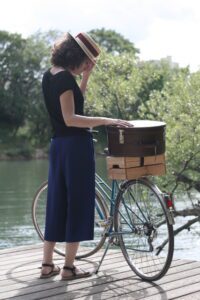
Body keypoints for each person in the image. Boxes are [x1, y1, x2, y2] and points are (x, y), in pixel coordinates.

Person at [40, 32, 131, 280]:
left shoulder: (50, 76)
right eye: (86, 62)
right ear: (76, 57)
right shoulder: (66, 81)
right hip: (76, 148)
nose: (86, 66)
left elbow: (72, 105)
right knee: (78, 203)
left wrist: (86, 77)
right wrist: (107, 120)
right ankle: (69, 268)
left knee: (57, 201)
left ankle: (47, 265)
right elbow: (72, 118)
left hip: (58, 146)